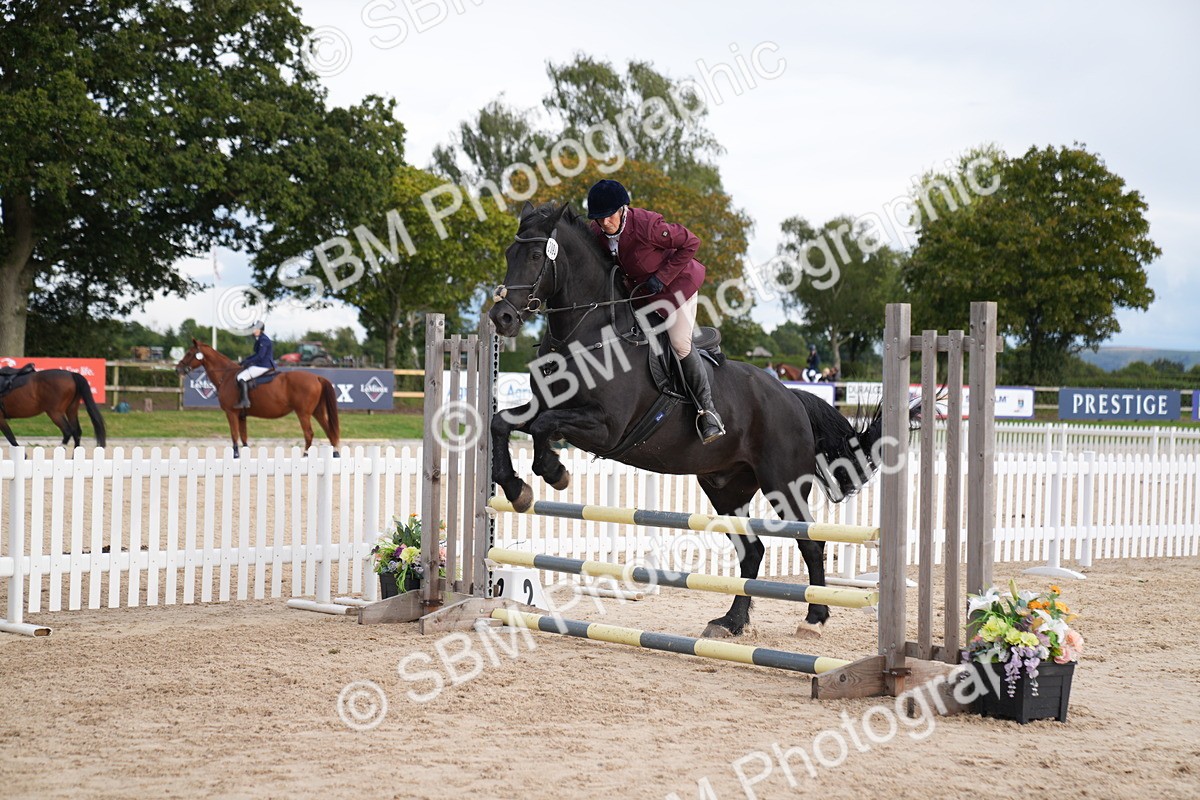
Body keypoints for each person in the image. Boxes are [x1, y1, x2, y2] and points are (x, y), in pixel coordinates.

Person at [586, 178, 724, 444]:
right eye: (599, 218)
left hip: (677, 288)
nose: (604, 223)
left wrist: (663, 275)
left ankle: (708, 412)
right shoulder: (597, 233)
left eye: (608, 216)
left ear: (622, 209)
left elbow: (691, 243)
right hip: (643, 296)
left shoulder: (647, 225)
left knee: (679, 343)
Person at [235, 321, 274, 409]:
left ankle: (245, 401)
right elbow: (256, 354)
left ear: (260, 330)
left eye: (254, 329)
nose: (252, 331)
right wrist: (246, 360)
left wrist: (248, 362)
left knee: (241, 377)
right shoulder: (260, 339)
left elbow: (260, 356)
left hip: (263, 365)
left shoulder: (263, 340)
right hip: (261, 364)